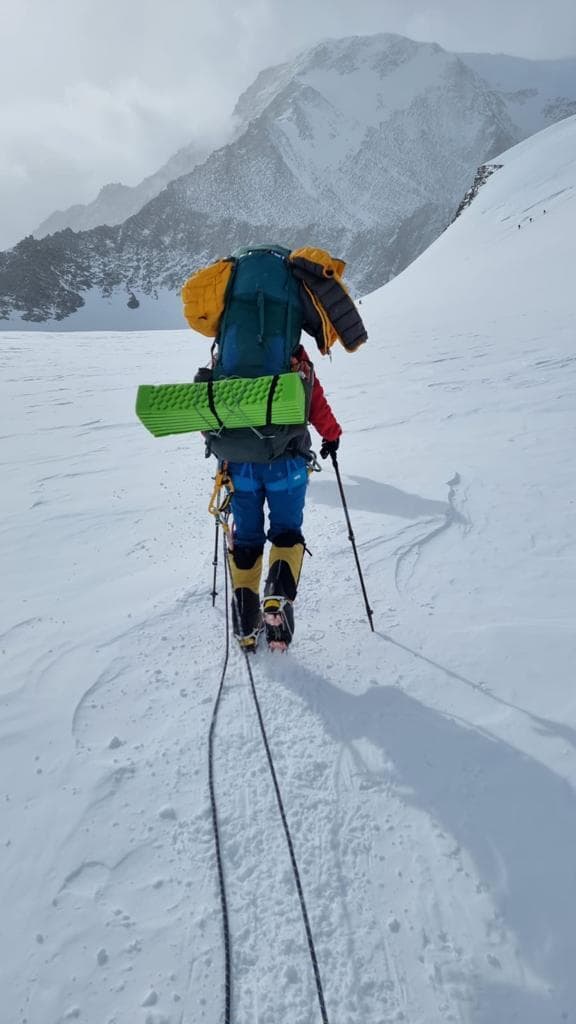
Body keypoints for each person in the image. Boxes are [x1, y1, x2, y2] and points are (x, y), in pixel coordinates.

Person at [182, 244, 366, 652]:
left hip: (239, 465)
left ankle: (246, 621)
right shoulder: (296, 361)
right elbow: (316, 404)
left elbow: (207, 414)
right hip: (287, 462)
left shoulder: (223, 363)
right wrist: (331, 437)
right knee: (286, 531)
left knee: (246, 538)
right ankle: (277, 598)